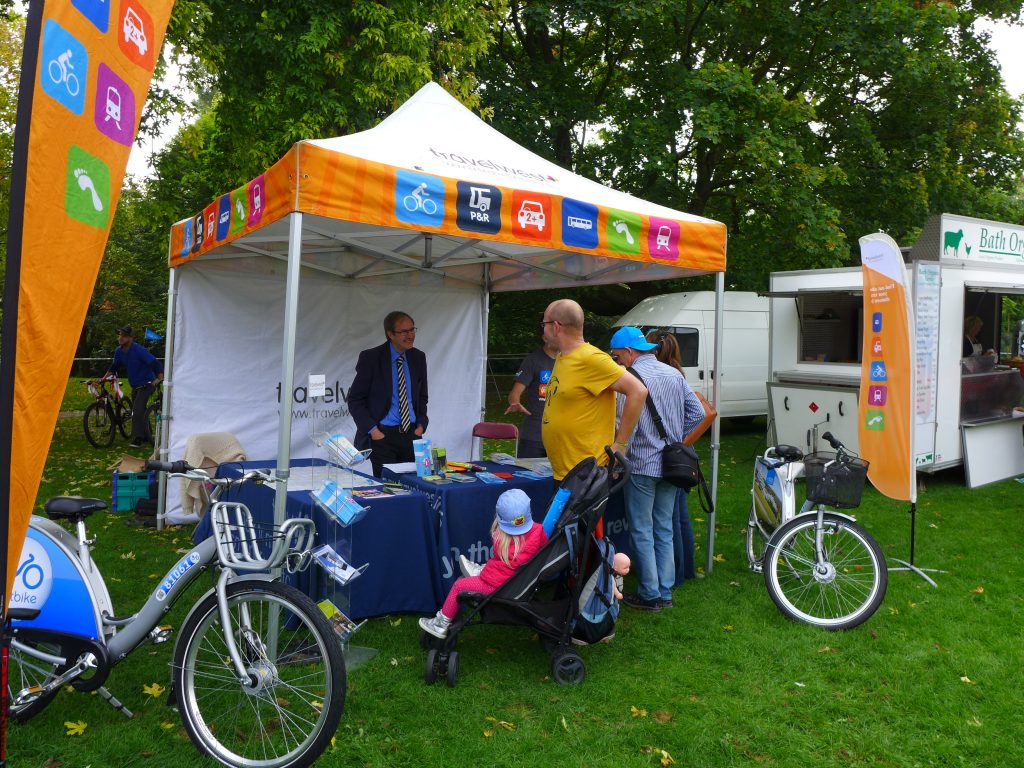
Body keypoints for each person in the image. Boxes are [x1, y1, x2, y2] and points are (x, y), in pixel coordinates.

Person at [610, 326, 704, 611]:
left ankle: (650, 594)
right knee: (664, 527)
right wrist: (676, 441)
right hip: (672, 465)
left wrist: (620, 453)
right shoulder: (673, 373)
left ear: (628, 352)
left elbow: (627, 424)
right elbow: (698, 413)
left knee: (641, 528)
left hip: (641, 464)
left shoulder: (630, 378)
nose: (617, 362)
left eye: (616, 356)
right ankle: (665, 592)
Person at [540, 299, 647, 481]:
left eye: (544, 324)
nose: (542, 329)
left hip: (585, 475)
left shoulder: (591, 358)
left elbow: (638, 391)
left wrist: (620, 444)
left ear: (556, 327)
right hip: (566, 472)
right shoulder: (562, 356)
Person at [419, 488, 547, 639]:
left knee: (459, 586)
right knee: (470, 579)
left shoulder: (502, 540)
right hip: (517, 581)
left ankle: (441, 624)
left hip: (498, 585)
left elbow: (499, 564)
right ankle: (479, 572)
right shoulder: (539, 531)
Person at [646, 329, 698, 585]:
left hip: (668, 455)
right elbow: (696, 412)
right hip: (680, 453)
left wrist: (679, 438)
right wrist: (682, 439)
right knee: (678, 517)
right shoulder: (677, 373)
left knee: (671, 520)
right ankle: (685, 569)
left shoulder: (657, 374)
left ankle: (675, 574)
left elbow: (699, 412)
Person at [349, 311, 428, 477]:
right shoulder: (371, 358)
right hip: (383, 437)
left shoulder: (418, 357)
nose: (410, 335)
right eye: (404, 331)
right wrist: (374, 432)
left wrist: (420, 426)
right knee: (387, 491)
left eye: (412, 329)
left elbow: (422, 397)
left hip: (412, 436)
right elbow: (355, 399)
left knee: (415, 487)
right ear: (390, 334)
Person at [104, 326, 163, 448]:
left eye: (124, 336)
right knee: (140, 410)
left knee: (137, 410)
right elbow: (114, 367)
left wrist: (159, 379)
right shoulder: (119, 351)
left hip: (147, 384)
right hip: (135, 385)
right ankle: (147, 434)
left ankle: (137, 438)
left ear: (131, 338)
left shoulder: (139, 350)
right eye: (120, 335)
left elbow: (155, 363)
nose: (120, 338)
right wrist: (103, 378)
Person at [504, 340, 558, 458]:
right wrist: (515, 402)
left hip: (561, 437)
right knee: (526, 474)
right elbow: (514, 393)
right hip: (534, 435)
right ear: (545, 337)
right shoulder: (533, 360)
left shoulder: (570, 361)